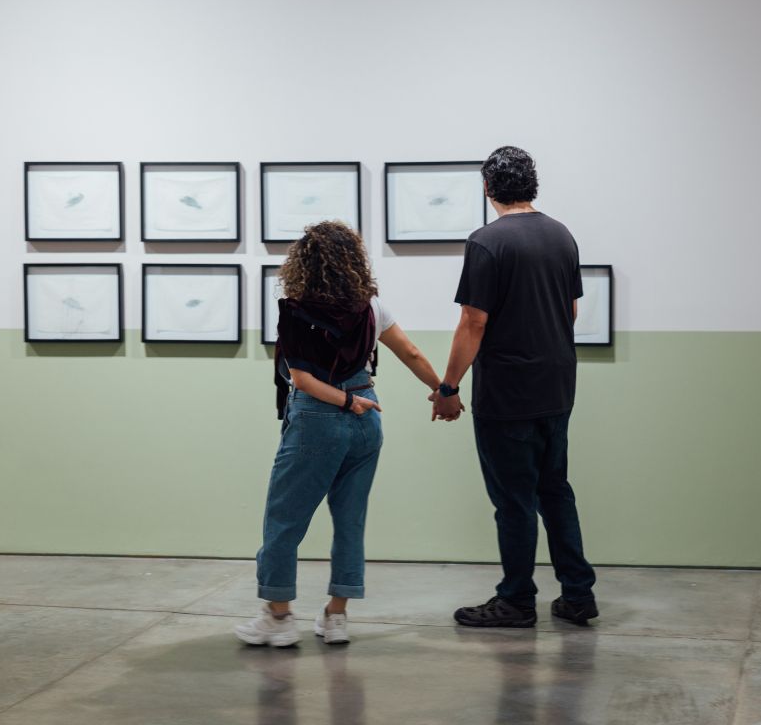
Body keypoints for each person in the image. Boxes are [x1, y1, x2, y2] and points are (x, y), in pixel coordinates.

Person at [235, 220, 447, 647]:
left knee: (284, 520)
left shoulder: (295, 310)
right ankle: (336, 617)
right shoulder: (370, 307)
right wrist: (444, 390)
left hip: (319, 419)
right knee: (350, 522)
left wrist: (345, 402)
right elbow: (410, 351)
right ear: (353, 261)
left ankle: (278, 618)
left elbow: (304, 381)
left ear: (304, 264)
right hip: (368, 419)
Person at [432, 146, 598, 628]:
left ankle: (517, 599)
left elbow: (473, 322)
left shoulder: (487, 242)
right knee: (555, 491)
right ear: (533, 184)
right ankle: (578, 595)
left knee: (513, 500)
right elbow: (569, 312)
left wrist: (448, 387)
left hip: (506, 392)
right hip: (557, 386)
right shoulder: (561, 236)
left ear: (487, 188)